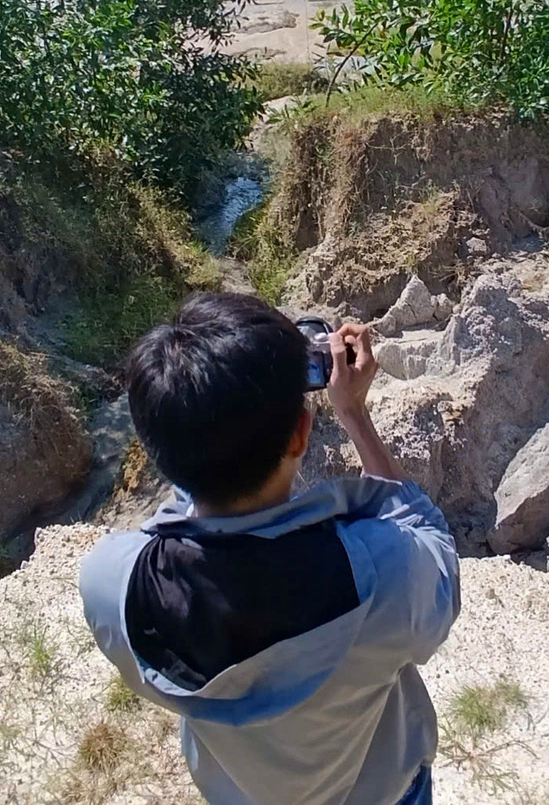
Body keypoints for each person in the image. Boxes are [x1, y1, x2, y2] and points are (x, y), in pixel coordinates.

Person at [80, 292, 460, 805]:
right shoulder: (382, 568)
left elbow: (180, 510)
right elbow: (430, 540)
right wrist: (353, 415)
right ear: (301, 434)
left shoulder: (112, 586)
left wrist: (206, 421)